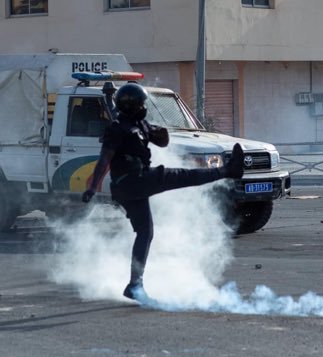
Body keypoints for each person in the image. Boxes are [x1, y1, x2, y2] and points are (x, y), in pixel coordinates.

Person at [82, 83, 244, 301]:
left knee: (145, 232)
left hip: (135, 185)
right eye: (140, 104)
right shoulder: (117, 128)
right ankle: (227, 170)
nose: (144, 107)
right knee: (183, 176)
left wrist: (153, 130)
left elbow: (162, 142)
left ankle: (134, 285)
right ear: (131, 106)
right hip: (132, 181)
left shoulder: (138, 124)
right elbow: (104, 160)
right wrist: (92, 188)